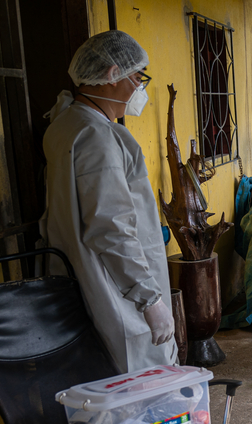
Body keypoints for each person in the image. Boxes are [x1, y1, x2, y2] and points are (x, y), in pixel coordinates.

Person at [40, 30, 177, 374]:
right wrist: (149, 299)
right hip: (116, 287)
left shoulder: (66, 124)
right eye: (137, 77)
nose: (139, 88)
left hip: (86, 278)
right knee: (139, 382)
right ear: (112, 75)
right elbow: (111, 227)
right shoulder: (97, 138)